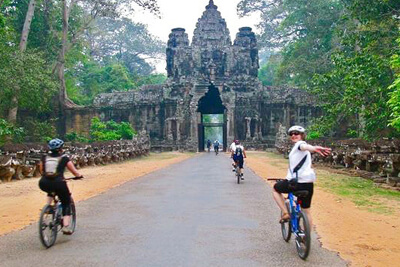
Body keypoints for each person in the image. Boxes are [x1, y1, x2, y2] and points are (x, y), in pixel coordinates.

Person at [272, 125, 331, 228]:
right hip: (308, 184)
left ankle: (285, 213)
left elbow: (303, 146)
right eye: (291, 134)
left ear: (302, 135)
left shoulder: (300, 145)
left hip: (295, 183)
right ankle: (306, 237)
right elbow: (306, 148)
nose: (294, 135)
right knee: (306, 211)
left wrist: (313, 148)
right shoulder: (304, 150)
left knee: (275, 188)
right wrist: (313, 148)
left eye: (296, 133)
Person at [38, 138, 83, 235]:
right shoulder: (64, 158)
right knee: (66, 201)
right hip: (59, 183)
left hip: (44, 183)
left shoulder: (44, 157)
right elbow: (74, 171)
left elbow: (41, 170)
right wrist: (79, 176)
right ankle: (66, 226)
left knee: (50, 190)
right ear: (61, 148)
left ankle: (48, 207)